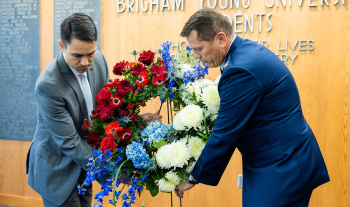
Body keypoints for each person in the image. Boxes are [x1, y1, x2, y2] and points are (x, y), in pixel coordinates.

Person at [175, 8, 329, 207]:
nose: (195, 55)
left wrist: (192, 177)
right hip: (281, 159)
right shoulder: (243, 53)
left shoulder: (240, 69)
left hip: (282, 169)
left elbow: (225, 133)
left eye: (199, 48)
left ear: (220, 39)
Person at [25, 13, 161, 207]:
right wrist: (112, 171)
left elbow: (106, 112)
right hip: (58, 167)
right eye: (77, 55)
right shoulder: (48, 85)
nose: (85, 62)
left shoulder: (99, 61)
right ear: (62, 46)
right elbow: (69, 142)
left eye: (90, 53)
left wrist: (134, 121)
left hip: (87, 161)